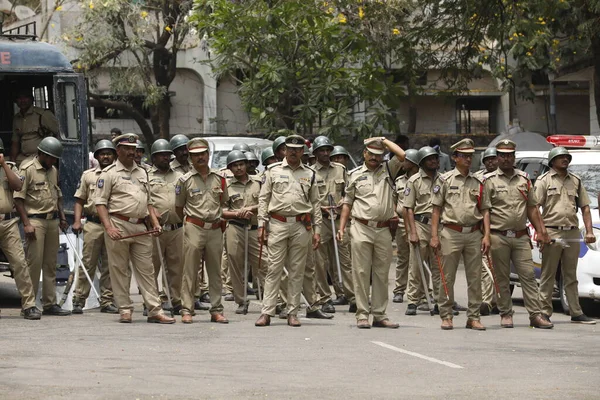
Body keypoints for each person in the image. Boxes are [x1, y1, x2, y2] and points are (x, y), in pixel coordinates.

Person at [95, 133, 175, 324]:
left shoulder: (142, 172)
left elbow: (148, 203)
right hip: (118, 224)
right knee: (119, 269)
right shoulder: (109, 174)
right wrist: (108, 227)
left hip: (141, 226)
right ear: (118, 151)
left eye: (134, 149)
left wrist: (155, 223)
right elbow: (100, 203)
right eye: (128, 149)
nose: (132, 152)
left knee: (146, 270)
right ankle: (125, 309)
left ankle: (155, 309)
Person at [480, 139, 553, 329]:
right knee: (502, 276)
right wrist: (486, 235)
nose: (506, 159)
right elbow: (485, 210)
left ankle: (535, 315)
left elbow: (532, 208)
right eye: (502, 155)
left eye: (509, 155)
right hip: (498, 235)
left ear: (514, 157)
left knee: (528, 275)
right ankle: (506, 313)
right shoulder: (488, 181)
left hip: (521, 236)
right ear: (497, 158)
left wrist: (542, 231)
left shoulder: (524, 179)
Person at [255, 134, 322, 327]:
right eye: (290, 148)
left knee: (297, 271)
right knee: (274, 269)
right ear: (284, 150)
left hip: (301, 226)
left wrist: (317, 230)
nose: (293, 152)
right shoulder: (272, 171)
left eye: (297, 149)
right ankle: (267, 311)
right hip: (277, 224)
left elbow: (315, 203)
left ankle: (293, 312)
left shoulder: (309, 173)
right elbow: (263, 199)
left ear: (303, 151)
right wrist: (261, 225)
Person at [338, 137, 405, 329]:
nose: (375, 158)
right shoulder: (354, 174)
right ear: (364, 154)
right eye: (371, 154)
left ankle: (379, 314)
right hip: (361, 227)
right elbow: (347, 203)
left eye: (379, 155)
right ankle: (361, 314)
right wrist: (341, 227)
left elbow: (402, 155)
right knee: (360, 272)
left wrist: (383, 141)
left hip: (383, 229)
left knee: (381, 273)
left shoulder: (389, 170)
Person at [534, 147, 596, 324]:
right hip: (551, 231)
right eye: (561, 157)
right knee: (548, 274)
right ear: (552, 161)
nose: (565, 160)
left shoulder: (576, 181)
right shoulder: (543, 181)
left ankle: (576, 312)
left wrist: (590, 231)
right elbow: (535, 207)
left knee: (571, 275)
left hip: (572, 231)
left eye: (566, 157)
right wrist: (541, 231)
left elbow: (585, 207)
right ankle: (544, 312)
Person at [430, 139, 486, 331]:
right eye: (464, 156)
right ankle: (446, 315)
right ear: (454, 158)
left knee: (475, 277)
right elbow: (436, 209)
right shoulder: (444, 180)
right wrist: (434, 236)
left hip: (473, 233)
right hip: (450, 233)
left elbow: (485, 209)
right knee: (447, 277)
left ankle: (474, 316)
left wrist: (486, 235)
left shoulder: (478, 181)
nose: (468, 159)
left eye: (471, 156)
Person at [175, 138, 229, 324]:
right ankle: (187, 309)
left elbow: (223, 203)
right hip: (194, 226)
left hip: (214, 228)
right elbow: (178, 206)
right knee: (190, 271)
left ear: (208, 155)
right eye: (195, 155)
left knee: (215, 271)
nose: (200, 157)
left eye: (203, 154)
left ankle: (216, 310)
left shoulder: (220, 179)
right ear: (190, 157)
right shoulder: (184, 181)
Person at [14, 137, 70, 316]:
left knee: (50, 264)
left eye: (55, 158)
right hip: (35, 220)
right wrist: (26, 224)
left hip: (52, 220)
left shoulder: (52, 170)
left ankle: (49, 302)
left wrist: (62, 217)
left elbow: (58, 195)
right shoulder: (28, 168)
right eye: (51, 157)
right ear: (42, 154)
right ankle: (28, 305)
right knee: (33, 264)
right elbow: (18, 199)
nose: (53, 161)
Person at [71, 139, 118, 314]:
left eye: (109, 153)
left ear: (114, 155)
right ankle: (79, 299)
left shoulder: (119, 175)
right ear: (97, 156)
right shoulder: (88, 175)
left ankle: (107, 300)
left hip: (113, 223)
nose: (105, 156)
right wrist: (77, 221)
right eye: (102, 153)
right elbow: (79, 200)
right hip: (93, 223)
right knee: (88, 263)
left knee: (110, 264)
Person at [312, 136, 354, 313]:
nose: (325, 153)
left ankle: (352, 296)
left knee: (345, 260)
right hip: (320, 222)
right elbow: (307, 198)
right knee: (320, 262)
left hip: (338, 220)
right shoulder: (310, 172)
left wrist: (342, 202)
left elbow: (349, 192)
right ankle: (324, 298)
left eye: (328, 150)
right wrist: (321, 207)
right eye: (321, 150)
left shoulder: (341, 170)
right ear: (315, 153)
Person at [0, 139, 41, 320]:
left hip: (8, 223)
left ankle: (29, 305)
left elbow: (18, 186)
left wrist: (3, 165)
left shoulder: (10, 167)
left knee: (19, 263)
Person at [222, 150, 265, 314]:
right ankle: (241, 300)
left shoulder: (259, 182)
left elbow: (266, 202)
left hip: (254, 228)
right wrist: (237, 213)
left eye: (241, 164)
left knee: (264, 263)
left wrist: (251, 209)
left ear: (246, 165)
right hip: (235, 226)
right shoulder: (226, 185)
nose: (239, 168)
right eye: (234, 166)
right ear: (230, 169)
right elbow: (221, 210)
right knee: (235, 264)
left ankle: (273, 300)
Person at [169, 134, 210, 309]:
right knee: (182, 264)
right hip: (182, 221)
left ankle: (196, 295)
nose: (183, 153)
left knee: (197, 263)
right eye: (179, 150)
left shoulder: (198, 167)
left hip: (199, 223)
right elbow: (178, 202)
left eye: (184, 150)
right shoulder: (172, 170)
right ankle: (176, 298)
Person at [403, 146, 443, 316]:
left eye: (435, 158)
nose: (434, 161)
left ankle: (440, 301)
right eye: (429, 159)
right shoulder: (414, 181)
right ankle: (412, 300)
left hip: (439, 225)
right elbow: (408, 208)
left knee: (439, 266)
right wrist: (412, 232)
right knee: (416, 264)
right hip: (420, 223)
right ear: (422, 162)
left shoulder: (444, 179)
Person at [148, 139, 185, 315]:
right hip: (155, 230)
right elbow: (144, 201)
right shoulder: (146, 176)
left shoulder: (179, 176)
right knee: (151, 268)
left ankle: (175, 300)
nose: (165, 158)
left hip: (177, 228)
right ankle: (152, 303)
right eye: (161, 155)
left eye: (167, 155)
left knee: (176, 267)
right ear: (153, 157)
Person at [392, 148, 419, 303]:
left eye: (406, 161)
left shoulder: (422, 180)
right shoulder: (399, 180)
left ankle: (420, 291)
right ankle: (399, 290)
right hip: (402, 223)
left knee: (418, 257)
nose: (403, 163)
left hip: (417, 223)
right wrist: (394, 213)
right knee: (403, 257)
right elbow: (394, 198)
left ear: (413, 163)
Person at [475, 148, 499, 316]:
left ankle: (497, 301)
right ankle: (486, 301)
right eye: (487, 159)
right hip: (484, 229)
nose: (490, 162)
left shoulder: (505, 177)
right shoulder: (477, 179)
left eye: (493, 159)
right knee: (485, 266)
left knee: (499, 268)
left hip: (503, 228)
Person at [11, 89, 59, 166]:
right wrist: (12, 162)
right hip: (24, 155)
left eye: (25, 97)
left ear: (31, 99)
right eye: (19, 98)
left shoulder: (43, 114)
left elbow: (59, 133)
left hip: (41, 157)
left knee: (25, 165)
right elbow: (15, 142)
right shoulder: (17, 118)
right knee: (4, 164)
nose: (22, 100)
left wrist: (51, 156)